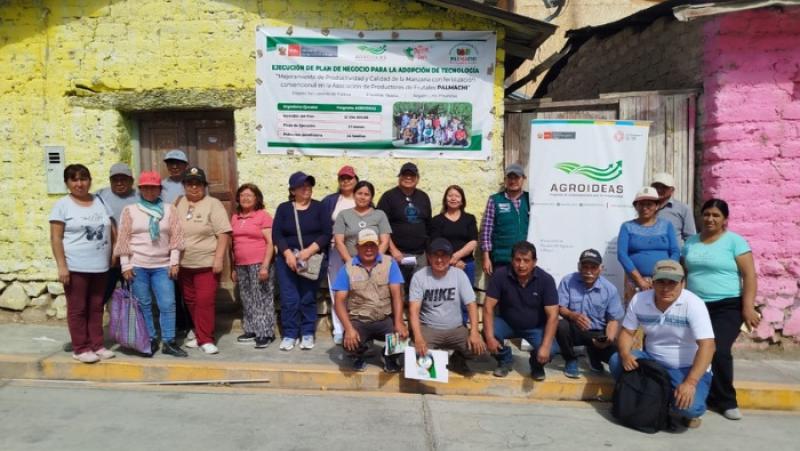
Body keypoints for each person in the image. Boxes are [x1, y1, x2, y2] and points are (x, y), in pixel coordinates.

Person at [610, 260, 716, 429]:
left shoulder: (694, 304)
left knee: (689, 408)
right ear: (653, 282)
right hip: (653, 361)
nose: (666, 288)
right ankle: (641, 397)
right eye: (661, 282)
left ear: (683, 283)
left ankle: (671, 401)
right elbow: (627, 332)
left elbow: (708, 345)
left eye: (672, 282)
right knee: (616, 361)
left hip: (686, 368)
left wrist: (690, 383)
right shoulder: (639, 300)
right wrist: (624, 354)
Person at [682, 198, 759, 421]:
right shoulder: (691, 243)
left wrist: (748, 307)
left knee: (720, 350)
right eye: (707, 214)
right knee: (695, 350)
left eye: (716, 215)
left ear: (725, 219)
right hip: (696, 305)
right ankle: (703, 394)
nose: (710, 219)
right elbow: (685, 275)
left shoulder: (735, 242)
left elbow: (749, 276)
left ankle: (726, 401)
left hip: (728, 306)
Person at [113, 171, 187, 357]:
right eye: (146, 187)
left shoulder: (170, 209)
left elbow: (176, 237)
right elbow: (123, 238)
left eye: (153, 187)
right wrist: (125, 265)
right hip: (138, 265)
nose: (150, 191)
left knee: (168, 304)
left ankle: (169, 341)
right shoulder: (130, 210)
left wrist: (174, 261)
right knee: (144, 304)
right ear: (140, 189)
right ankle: (150, 339)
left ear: (159, 189)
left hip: (163, 266)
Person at [49, 164, 116, 364]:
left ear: (90, 180)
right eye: (74, 179)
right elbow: (55, 238)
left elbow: (111, 227)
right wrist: (62, 266)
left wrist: (115, 252)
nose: (80, 183)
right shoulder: (62, 205)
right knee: (78, 308)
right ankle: (80, 347)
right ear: (67, 183)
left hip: (100, 265)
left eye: (84, 179)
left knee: (96, 306)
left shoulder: (100, 200)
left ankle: (97, 344)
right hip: (76, 266)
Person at [331, 229, 408, 372]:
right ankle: (360, 354)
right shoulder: (347, 268)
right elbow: (339, 302)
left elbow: (397, 295)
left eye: (372, 245)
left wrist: (399, 322)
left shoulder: (390, 263)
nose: (369, 249)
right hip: (359, 319)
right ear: (357, 247)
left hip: (385, 318)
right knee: (349, 344)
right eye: (364, 245)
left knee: (402, 336)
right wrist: (348, 329)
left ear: (378, 246)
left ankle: (389, 357)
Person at [175, 167, 231, 355]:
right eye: (190, 183)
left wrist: (219, 259)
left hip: (206, 263)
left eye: (198, 183)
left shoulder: (213, 204)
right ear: (184, 186)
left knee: (204, 301)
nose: (194, 187)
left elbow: (223, 233)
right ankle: (199, 332)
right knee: (190, 301)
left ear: (204, 186)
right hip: (184, 263)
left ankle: (206, 339)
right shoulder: (178, 202)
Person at [408, 238, 485, 375]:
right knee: (417, 359)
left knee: (479, 348)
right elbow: (414, 311)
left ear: (450, 258)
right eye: (435, 256)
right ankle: (434, 359)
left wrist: (474, 332)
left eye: (443, 256)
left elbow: (471, 305)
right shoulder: (419, 276)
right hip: (429, 328)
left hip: (455, 329)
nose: (439, 260)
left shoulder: (459, 275)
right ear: (429, 257)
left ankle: (457, 359)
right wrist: (418, 338)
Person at [483, 241, 558, 380]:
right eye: (517, 260)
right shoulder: (500, 275)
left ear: (534, 262)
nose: (521, 265)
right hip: (507, 323)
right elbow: (488, 306)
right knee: (488, 333)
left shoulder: (546, 280)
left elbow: (553, 315)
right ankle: (504, 359)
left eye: (526, 260)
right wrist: (489, 338)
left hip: (535, 327)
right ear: (512, 260)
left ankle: (536, 365)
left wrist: (545, 346)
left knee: (551, 349)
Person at [273, 171, 331, 351]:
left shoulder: (320, 207)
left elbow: (327, 233)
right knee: (289, 299)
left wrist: (308, 251)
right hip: (286, 260)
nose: (306, 188)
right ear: (292, 190)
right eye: (302, 186)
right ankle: (290, 334)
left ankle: (307, 333)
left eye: (309, 185)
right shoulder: (284, 208)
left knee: (307, 297)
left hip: (311, 259)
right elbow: (277, 233)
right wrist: (288, 254)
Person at [332, 180, 391, 342]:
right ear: (354, 194)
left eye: (367, 194)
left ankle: (381, 336)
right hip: (352, 265)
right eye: (360, 193)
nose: (363, 197)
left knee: (377, 298)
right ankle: (349, 333)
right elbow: (339, 241)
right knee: (354, 301)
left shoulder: (379, 215)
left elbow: (384, 240)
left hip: (376, 265)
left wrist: (374, 261)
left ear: (371, 197)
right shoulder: (344, 215)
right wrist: (351, 263)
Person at [555, 249, 624, 378]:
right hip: (575, 330)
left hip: (598, 333)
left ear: (601, 269)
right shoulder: (567, 281)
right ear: (579, 267)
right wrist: (572, 315)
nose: (588, 271)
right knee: (561, 325)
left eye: (593, 267)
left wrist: (608, 339)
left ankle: (594, 353)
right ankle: (570, 359)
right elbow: (560, 307)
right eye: (585, 267)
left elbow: (613, 320)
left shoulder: (610, 289)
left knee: (617, 356)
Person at [230, 183, 276, 349]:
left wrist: (265, 266)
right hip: (241, 264)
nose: (246, 198)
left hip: (259, 263)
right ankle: (251, 329)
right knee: (247, 297)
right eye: (242, 195)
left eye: (249, 195)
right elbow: (233, 243)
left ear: (257, 198)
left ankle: (266, 332)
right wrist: (234, 267)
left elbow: (271, 242)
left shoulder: (263, 216)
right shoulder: (235, 217)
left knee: (261, 298)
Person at [617, 186, 680, 302]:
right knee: (637, 316)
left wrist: (664, 274)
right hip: (636, 282)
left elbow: (675, 251)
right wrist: (640, 280)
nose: (645, 208)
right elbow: (622, 255)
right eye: (641, 204)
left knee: (662, 313)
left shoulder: (667, 225)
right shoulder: (627, 227)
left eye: (649, 204)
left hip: (664, 280)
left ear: (657, 206)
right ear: (636, 206)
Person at [377, 162, 431, 295]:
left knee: (419, 291)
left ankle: (416, 316)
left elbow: (428, 225)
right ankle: (398, 316)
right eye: (405, 174)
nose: (408, 178)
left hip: (420, 255)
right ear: (399, 177)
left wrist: (428, 252)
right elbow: (381, 226)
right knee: (397, 292)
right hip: (397, 254)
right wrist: (393, 250)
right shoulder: (388, 197)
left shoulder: (423, 197)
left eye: (412, 175)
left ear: (417, 178)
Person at [322, 165, 358, 345]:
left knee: (357, 289)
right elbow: (322, 225)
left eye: (349, 178)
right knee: (337, 289)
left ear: (355, 180)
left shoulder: (362, 198)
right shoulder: (330, 201)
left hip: (359, 253)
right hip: (335, 251)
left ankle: (355, 325)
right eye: (342, 178)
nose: (346, 181)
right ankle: (339, 328)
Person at [95, 162, 139, 308]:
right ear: (110, 181)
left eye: (123, 179)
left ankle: (133, 328)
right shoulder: (100, 196)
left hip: (133, 255)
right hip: (109, 256)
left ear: (131, 181)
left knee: (134, 295)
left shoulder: (141, 197)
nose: (119, 183)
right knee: (102, 293)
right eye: (115, 179)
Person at [480, 163, 529, 277]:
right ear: (505, 180)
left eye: (516, 177)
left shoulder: (529, 199)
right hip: (501, 259)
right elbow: (486, 231)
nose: (513, 181)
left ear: (523, 179)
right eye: (510, 177)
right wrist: (486, 258)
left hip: (525, 260)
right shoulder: (495, 200)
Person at [430, 185, 478, 286]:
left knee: (466, 298)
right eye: (450, 195)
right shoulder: (437, 220)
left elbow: (473, 242)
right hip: (443, 264)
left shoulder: (469, 218)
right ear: (445, 199)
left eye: (457, 196)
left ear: (462, 200)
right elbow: (436, 244)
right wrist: (453, 262)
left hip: (466, 265)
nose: (453, 198)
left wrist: (456, 257)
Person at [651, 172, 696, 245]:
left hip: (674, 255)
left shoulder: (683, 209)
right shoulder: (645, 208)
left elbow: (690, 238)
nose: (659, 189)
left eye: (664, 187)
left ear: (672, 190)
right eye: (656, 186)